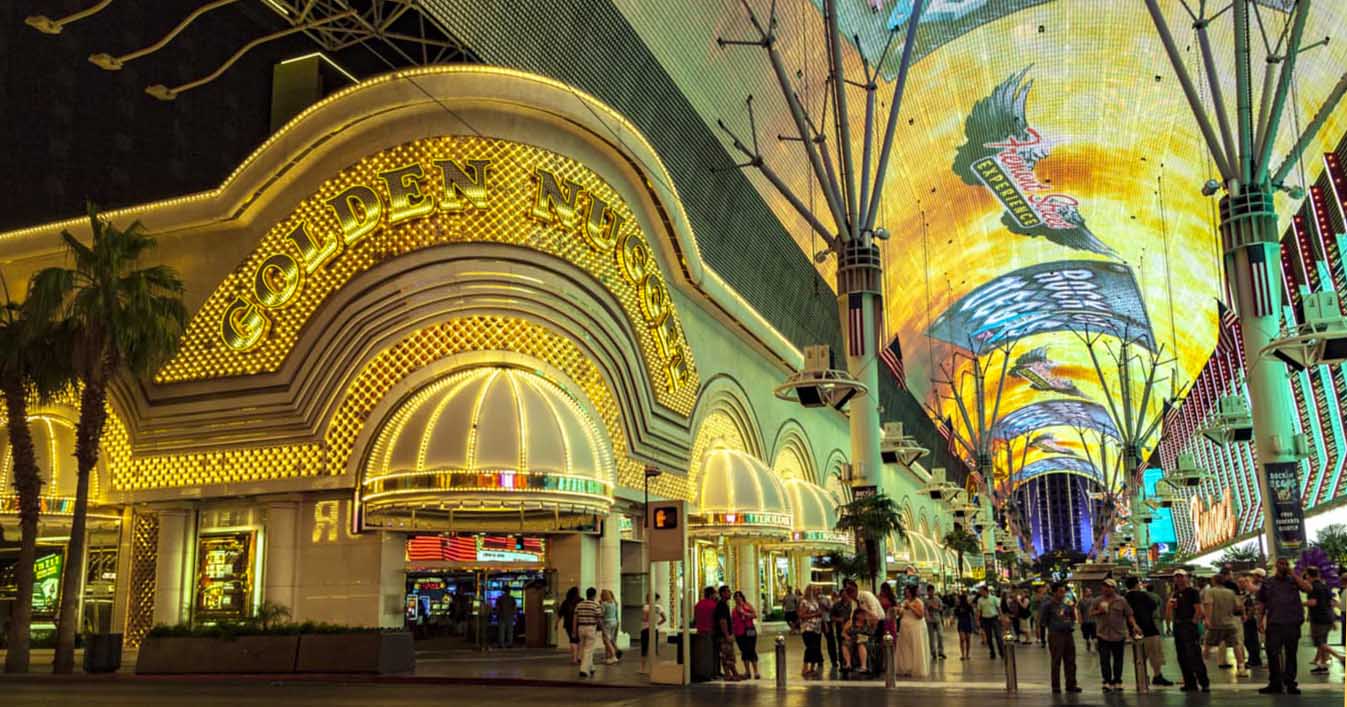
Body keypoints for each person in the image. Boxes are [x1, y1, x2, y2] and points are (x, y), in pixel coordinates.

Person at [1257, 558, 1313, 694]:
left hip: (1292, 623)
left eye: (1286, 564)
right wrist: (1260, 621)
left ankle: (1290, 683)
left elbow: (1308, 589)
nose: (1283, 566)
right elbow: (1262, 603)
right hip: (1274, 623)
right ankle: (1275, 683)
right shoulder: (1268, 582)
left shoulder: (1294, 580)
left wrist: (1293, 574)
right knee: (1272, 653)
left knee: (1291, 654)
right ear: (1276, 566)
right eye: (1281, 564)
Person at [1091, 578, 1141, 693]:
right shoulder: (1097, 600)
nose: (1106, 589)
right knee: (1104, 660)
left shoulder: (1121, 600)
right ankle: (1107, 681)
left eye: (1109, 587)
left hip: (1118, 634)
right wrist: (1099, 611)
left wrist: (1134, 625)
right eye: (1104, 586)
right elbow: (1091, 613)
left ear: (1114, 588)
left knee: (1118, 659)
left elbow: (1129, 614)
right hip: (1103, 635)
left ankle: (1118, 681)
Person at [1124, 576, 1173, 686]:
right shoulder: (1143, 595)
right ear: (1137, 584)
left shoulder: (1125, 597)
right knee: (1155, 654)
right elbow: (1153, 605)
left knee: (1140, 656)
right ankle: (1157, 675)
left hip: (1135, 630)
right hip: (1149, 629)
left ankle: (1141, 677)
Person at [1167, 569, 1210, 692]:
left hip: (1188, 625)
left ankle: (1204, 682)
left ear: (1186, 578)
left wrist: (1193, 622)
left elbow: (1198, 609)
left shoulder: (1192, 592)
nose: (1178, 579)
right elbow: (1171, 609)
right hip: (1178, 625)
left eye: (1181, 577)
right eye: (1176, 577)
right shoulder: (1175, 594)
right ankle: (1190, 683)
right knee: (1182, 656)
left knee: (1194, 655)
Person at [1201, 568, 1246, 675]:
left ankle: (1201, 669)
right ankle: (1241, 668)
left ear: (1214, 581)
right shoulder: (1230, 592)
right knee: (1236, 645)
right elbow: (1238, 607)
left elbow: (1209, 605)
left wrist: (1207, 619)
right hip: (1230, 623)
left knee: (1207, 646)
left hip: (1215, 624)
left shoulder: (1210, 592)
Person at [1041, 582, 1082, 694]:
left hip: (1068, 633)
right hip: (1055, 634)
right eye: (1060, 592)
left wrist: (1071, 621)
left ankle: (1071, 684)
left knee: (1070, 660)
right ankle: (1056, 686)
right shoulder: (1048, 604)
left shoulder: (1067, 603)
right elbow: (1043, 621)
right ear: (1054, 592)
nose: (1063, 594)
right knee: (1056, 660)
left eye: (1064, 591)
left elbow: (1073, 615)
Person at [1305, 566, 1344, 673]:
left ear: (1308, 575)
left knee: (1319, 642)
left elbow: (1313, 602)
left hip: (1319, 619)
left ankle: (1341, 657)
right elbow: (1331, 602)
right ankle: (1322, 666)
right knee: (1323, 643)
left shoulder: (1312, 587)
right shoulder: (1324, 586)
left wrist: (1299, 603)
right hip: (1327, 617)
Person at [894, 584, 931, 677]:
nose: (905, 592)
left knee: (916, 647)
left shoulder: (918, 602)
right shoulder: (904, 601)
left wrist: (910, 607)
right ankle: (907, 667)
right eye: (905, 591)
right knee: (905, 648)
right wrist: (898, 610)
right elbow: (901, 614)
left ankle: (916, 668)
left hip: (915, 627)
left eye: (907, 591)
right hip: (905, 628)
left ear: (911, 592)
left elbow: (920, 615)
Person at [574, 587, 604, 678]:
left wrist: (574, 630)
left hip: (581, 628)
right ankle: (583, 670)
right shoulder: (596, 605)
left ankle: (591, 667)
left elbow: (575, 618)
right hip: (591, 628)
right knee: (588, 649)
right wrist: (603, 629)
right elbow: (599, 619)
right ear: (594, 595)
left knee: (584, 648)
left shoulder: (579, 604)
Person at [715, 585, 743, 681]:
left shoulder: (723, 605)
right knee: (728, 655)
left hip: (724, 635)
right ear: (722, 593)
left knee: (726, 655)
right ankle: (732, 674)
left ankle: (730, 674)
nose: (730, 593)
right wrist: (727, 635)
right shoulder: (722, 606)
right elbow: (723, 621)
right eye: (728, 591)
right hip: (724, 635)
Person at [732, 590, 761, 679]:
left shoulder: (747, 605)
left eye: (739, 596)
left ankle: (756, 671)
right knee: (744, 651)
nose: (738, 598)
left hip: (749, 629)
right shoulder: (734, 610)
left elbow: (755, 615)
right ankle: (747, 671)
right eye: (736, 597)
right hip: (739, 632)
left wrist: (745, 614)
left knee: (751, 649)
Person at [799, 586, 824, 678]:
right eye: (814, 590)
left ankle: (812, 667)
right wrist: (814, 614)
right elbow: (801, 615)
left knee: (816, 648)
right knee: (810, 647)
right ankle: (805, 667)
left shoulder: (816, 602)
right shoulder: (804, 602)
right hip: (808, 628)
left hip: (816, 628)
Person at [1241, 571, 1264, 668]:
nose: (1251, 577)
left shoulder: (1259, 587)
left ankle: (1255, 660)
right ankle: (1253, 659)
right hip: (1251, 616)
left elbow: (1253, 604)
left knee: (1251, 639)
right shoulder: (1253, 588)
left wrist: (1249, 615)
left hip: (1252, 617)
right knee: (1249, 639)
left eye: (1253, 576)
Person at [640, 592, 666, 672]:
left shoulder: (646, 607)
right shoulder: (659, 607)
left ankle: (643, 668)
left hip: (645, 629)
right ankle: (654, 667)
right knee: (654, 649)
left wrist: (644, 618)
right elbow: (664, 618)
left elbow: (645, 618)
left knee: (644, 649)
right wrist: (657, 623)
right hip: (655, 629)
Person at [976, 586, 1004, 659]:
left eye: (981, 591)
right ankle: (992, 652)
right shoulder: (980, 600)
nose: (980, 592)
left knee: (998, 636)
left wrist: (1001, 617)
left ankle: (1001, 652)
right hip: (985, 619)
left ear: (986, 591)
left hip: (994, 618)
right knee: (989, 637)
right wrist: (978, 620)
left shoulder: (994, 598)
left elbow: (998, 608)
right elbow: (979, 611)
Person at [557, 587, 581, 665]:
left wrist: (556, 623)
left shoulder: (565, 602)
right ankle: (578, 657)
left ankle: (574, 658)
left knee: (573, 640)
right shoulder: (581, 601)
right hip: (579, 623)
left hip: (568, 624)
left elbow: (560, 614)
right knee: (578, 641)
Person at [818, 587, 839, 669]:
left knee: (831, 641)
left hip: (827, 621)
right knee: (817, 642)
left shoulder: (826, 599)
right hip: (817, 623)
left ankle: (834, 660)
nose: (818, 591)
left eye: (819, 590)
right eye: (816, 590)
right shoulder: (812, 600)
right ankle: (819, 660)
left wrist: (825, 606)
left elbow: (831, 609)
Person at [925, 584, 946, 660]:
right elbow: (924, 610)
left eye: (932, 591)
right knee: (931, 638)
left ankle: (941, 651)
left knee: (940, 635)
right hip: (929, 620)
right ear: (927, 592)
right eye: (929, 591)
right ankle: (933, 652)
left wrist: (936, 608)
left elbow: (942, 608)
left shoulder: (937, 599)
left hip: (937, 619)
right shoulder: (925, 600)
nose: (931, 593)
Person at [953, 593, 975, 660]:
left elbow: (972, 614)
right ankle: (963, 655)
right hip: (961, 623)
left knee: (967, 639)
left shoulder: (968, 606)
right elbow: (955, 614)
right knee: (962, 639)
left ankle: (967, 654)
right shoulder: (958, 607)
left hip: (967, 622)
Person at [1078, 586, 1097, 653]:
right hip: (1085, 621)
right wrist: (1080, 619)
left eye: (1090, 591)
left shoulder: (1094, 600)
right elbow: (1079, 611)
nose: (1090, 592)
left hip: (1093, 621)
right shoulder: (1081, 601)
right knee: (1086, 635)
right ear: (1085, 593)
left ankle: (1094, 646)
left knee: (1094, 635)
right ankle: (1088, 643)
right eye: (1088, 591)